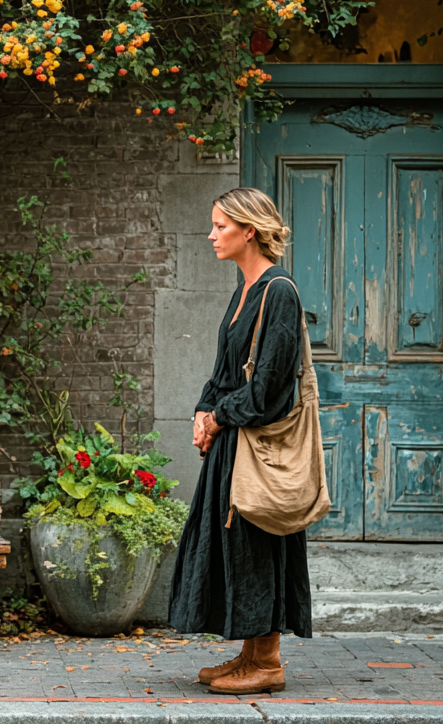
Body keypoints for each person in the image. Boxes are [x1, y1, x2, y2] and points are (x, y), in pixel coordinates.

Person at [167, 187, 312, 695]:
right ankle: (250, 653)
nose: (211, 235)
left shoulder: (279, 291)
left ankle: (268, 662)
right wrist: (202, 411)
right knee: (237, 546)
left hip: (254, 447)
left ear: (249, 231)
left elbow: (269, 389)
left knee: (256, 546)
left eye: (220, 226)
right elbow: (225, 371)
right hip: (232, 442)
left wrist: (217, 418)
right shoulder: (245, 291)